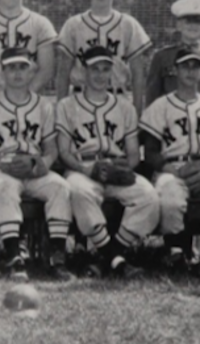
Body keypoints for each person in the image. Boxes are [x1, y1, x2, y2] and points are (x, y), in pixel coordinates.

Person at [56, 46, 160, 278]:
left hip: (116, 169)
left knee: (149, 197)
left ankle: (108, 256)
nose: (100, 75)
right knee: (79, 192)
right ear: (83, 72)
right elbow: (64, 152)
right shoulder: (67, 106)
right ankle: (116, 260)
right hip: (83, 168)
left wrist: (122, 168)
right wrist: (86, 168)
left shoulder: (125, 107)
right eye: (95, 69)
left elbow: (134, 154)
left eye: (105, 69)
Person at [0, 47, 73, 281]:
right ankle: (14, 256)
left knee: (60, 187)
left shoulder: (44, 106)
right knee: (5, 188)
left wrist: (43, 164)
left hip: (34, 166)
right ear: (2, 73)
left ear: (31, 71)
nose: (18, 73)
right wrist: (3, 164)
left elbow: (51, 148)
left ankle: (57, 257)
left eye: (23, 67)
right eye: (11, 68)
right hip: (4, 166)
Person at [56, 0, 152, 115]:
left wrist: (137, 112)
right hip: (79, 98)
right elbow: (63, 72)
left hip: (117, 97)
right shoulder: (73, 24)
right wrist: (59, 112)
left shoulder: (128, 24)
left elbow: (138, 73)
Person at [140, 48, 200, 274]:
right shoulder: (161, 106)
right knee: (171, 200)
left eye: (196, 66)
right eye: (186, 66)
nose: (191, 71)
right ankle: (175, 253)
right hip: (171, 167)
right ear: (175, 71)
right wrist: (172, 170)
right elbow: (151, 151)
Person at [146, 0, 200, 103]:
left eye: (198, 21)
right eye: (188, 21)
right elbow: (152, 96)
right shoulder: (162, 57)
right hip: (170, 116)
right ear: (178, 25)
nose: (193, 26)